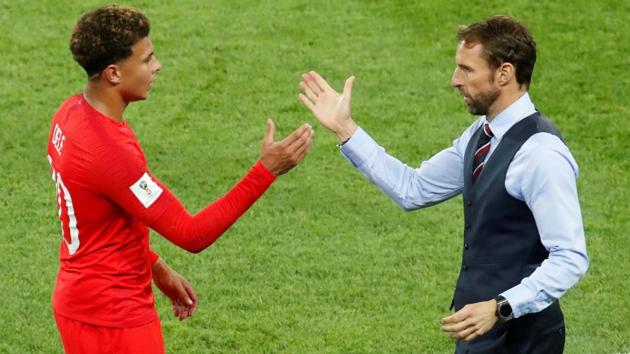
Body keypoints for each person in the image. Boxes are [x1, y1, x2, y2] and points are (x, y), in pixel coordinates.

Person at [299, 15, 588, 353]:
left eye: (467, 70)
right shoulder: (481, 135)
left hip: (524, 340)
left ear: (504, 73)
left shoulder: (541, 154)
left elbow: (570, 257)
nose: (454, 80)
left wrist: (501, 306)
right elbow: (413, 188)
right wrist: (346, 129)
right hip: (476, 330)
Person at [47, 4, 313, 354]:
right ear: (114, 73)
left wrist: (156, 268)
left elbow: (102, 221)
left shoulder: (69, 113)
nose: (157, 66)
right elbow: (192, 234)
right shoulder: (109, 153)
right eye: (146, 60)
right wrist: (266, 170)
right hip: (115, 318)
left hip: (79, 303)